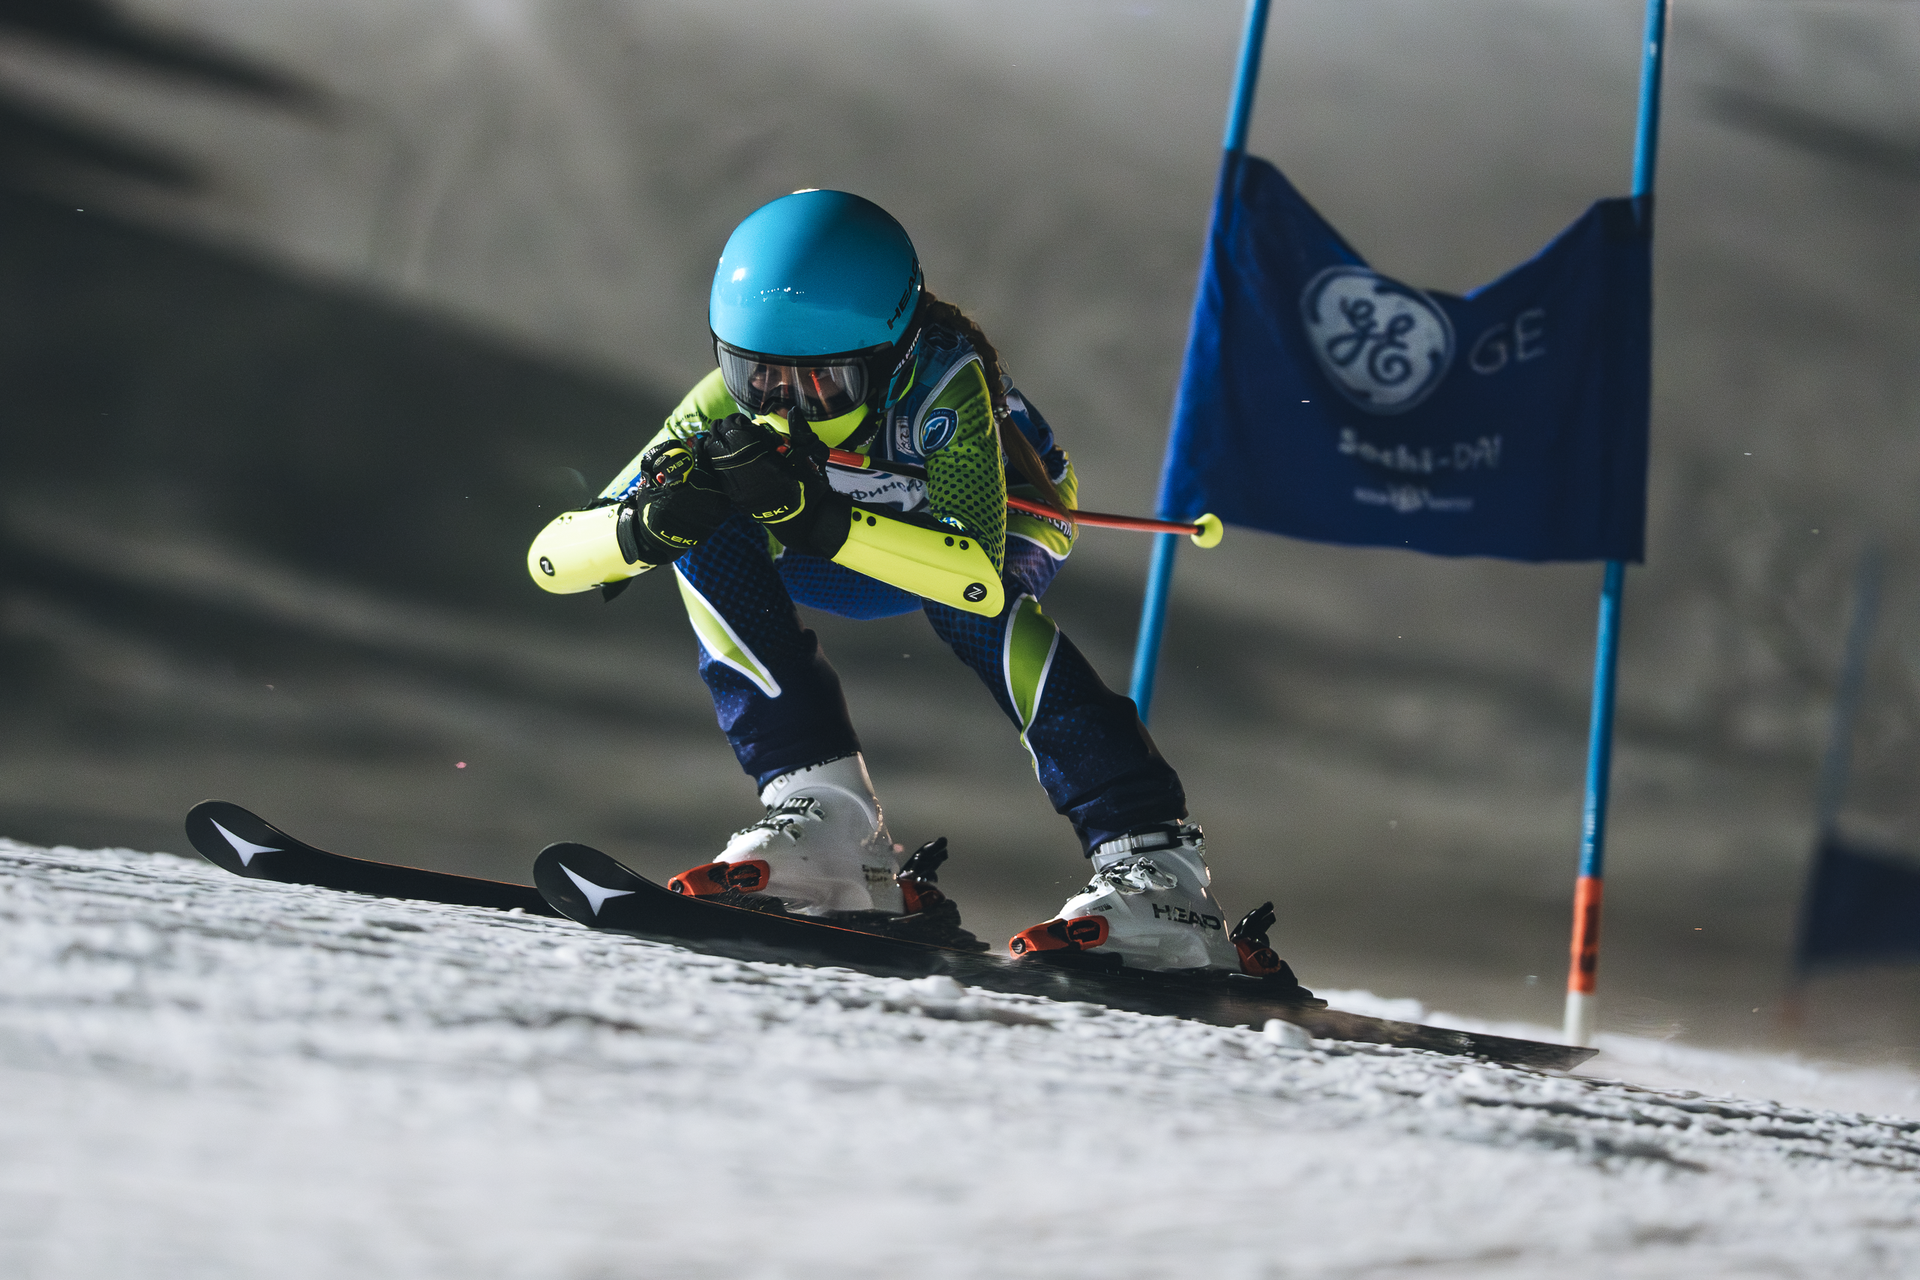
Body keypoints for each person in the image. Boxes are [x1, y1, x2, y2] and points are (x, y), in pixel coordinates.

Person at [527, 188, 1288, 978]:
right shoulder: (720, 406)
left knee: (974, 615)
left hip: (998, 526)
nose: (786, 407)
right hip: (839, 545)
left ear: (891, 358)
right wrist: (645, 529)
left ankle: (1156, 866)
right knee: (705, 527)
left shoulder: (943, 386)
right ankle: (827, 820)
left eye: (822, 385)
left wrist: (815, 516)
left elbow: (971, 576)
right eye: (757, 378)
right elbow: (550, 561)